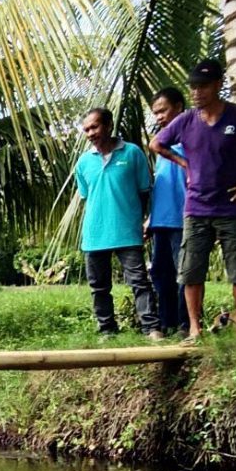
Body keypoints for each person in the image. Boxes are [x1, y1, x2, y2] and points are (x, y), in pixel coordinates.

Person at [149, 59, 236, 341]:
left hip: (231, 207)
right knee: (190, 271)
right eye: (193, 87)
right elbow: (156, 144)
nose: (196, 92)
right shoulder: (186, 120)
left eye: (202, 86)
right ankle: (195, 330)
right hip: (196, 208)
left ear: (217, 85)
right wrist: (183, 162)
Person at [74, 107, 163, 339]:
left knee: (139, 283)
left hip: (127, 231)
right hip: (94, 234)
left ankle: (151, 328)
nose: (91, 133)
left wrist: (143, 220)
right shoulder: (83, 163)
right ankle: (107, 330)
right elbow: (87, 196)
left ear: (109, 125)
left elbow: (145, 191)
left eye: (95, 127)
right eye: (87, 129)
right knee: (99, 287)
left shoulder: (132, 153)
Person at [147, 86, 189, 334]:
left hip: (184, 218)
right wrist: (150, 219)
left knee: (184, 273)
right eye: (156, 113)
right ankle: (167, 322)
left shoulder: (193, 139)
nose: (160, 117)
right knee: (161, 274)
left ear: (179, 107)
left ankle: (186, 323)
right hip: (160, 221)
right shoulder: (161, 143)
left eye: (163, 110)